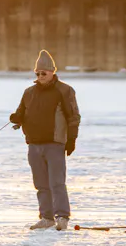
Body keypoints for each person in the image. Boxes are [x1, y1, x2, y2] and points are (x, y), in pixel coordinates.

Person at [9, 50, 81, 231]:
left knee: (56, 182)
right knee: (40, 184)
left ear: (52, 72)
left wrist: (71, 139)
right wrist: (16, 118)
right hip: (33, 143)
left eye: (44, 73)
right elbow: (21, 113)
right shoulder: (29, 92)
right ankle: (46, 217)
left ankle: (62, 217)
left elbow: (73, 117)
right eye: (37, 73)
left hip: (55, 143)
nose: (40, 76)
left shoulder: (64, 90)